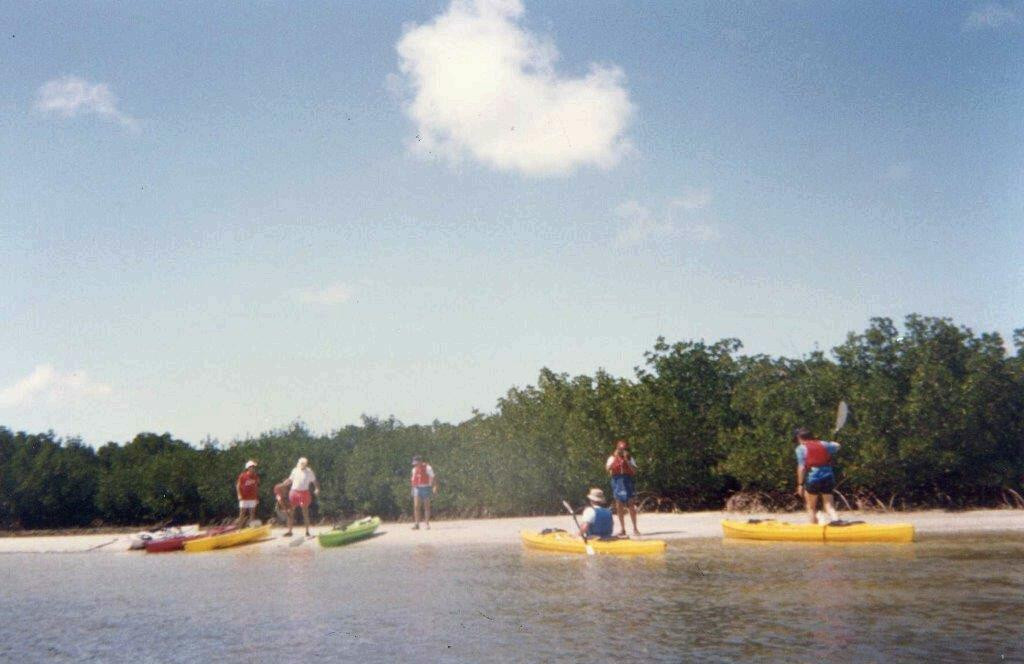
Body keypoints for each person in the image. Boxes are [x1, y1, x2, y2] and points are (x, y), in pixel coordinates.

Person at [794, 427, 841, 524]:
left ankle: (814, 527)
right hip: (828, 477)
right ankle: (836, 519)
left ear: (799, 438)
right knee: (829, 505)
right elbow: (838, 446)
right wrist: (833, 443)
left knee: (811, 507)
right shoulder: (824, 444)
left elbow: (802, 468)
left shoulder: (800, 448)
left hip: (813, 478)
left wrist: (800, 484)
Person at [279, 457, 320, 537]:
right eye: (301, 463)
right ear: (299, 463)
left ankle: (307, 531)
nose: (302, 465)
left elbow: (315, 481)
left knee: (305, 512)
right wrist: (283, 484)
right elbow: (290, 479)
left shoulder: (309, 472)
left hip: (304, 493)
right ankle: (289, 531)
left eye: (304, 463)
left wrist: (317, 489)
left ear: (306, 464)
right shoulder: (295, 470)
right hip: (294, 492)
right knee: (291, 511)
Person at [606, 439, 640, 537]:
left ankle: (635, 528)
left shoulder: (630, 458)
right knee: (619, 505)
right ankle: (622, 529)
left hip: (628, 481)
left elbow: (634, 471)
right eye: (620, 449)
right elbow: (608, 469)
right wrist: (616, 458)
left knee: (631, 504)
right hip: (617, 481)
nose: (622, 451)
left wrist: (627, 460)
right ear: (617, 449)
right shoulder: (612, 458)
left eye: (624, 449)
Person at [410, 455, 437, 530]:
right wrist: (412, 488)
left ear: (420, 461)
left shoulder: (428, 468)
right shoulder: (414, 469)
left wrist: (434, 486)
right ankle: (417, 524)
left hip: (426, 487)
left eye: (417, 462)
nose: (415, 464)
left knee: (426, 506)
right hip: (416, 488)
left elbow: (433, 477)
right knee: (416, 506)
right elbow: (413, 479)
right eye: (414, 463)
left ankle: (427, 524)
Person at [235, 460, 259, 528]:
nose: (253, 468)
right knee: (242, 513)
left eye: (254, 467)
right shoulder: (242, 476)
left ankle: (252, 528)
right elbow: (238, 486)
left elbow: (256, 487)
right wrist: (239, 495)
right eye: (252, 467)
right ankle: (239, 528)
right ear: (248, 468)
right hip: (244, 497)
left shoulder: (255, 476)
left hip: (252, 498)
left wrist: (256, 497)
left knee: (252, 514)